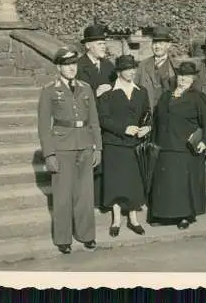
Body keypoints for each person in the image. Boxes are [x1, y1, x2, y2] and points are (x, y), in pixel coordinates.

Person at [38, 47, 102, 254]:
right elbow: (43, 125)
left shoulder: (85, 88)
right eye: (67, 65)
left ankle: (86, 235)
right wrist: (49, 154)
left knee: (85, 194)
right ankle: (63, 237)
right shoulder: (49, 90)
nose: (72, 68)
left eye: (74, 64)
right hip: (62, 146)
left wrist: (98, 147)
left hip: (84, 145)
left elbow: (94, 120)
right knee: (63, 194)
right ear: (58, 67)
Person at [149, 61, 206, 229]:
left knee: (182, 184)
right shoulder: (165, 96)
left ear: (193, 79)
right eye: (181, 75)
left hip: (185, 147)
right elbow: (156, 119)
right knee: (164, 182)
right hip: (164, 145)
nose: (183, 79)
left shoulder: (197, 98)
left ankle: (184, 216)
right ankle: (162, 215)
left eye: (187, 76)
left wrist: (205, 141)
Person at [97, 55, 151, 237]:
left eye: (133, 68)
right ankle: (117, 219)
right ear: (119, 71)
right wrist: (123, 129)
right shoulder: (108, 93)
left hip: (134, 144)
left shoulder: (141, 91)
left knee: (133, 182)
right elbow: (103, 119)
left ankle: (134, 219)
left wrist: (146, 128)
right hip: (114, 143)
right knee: (116, 182)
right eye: (127, 69)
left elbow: (147, 113)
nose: (131, 72)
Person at [75, 24, 116, 208]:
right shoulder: (78, 66)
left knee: (104, 160)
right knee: (88, 161)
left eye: (104, 43)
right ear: (88, 46)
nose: (103, 47)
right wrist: (95, 91)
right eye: (99, 44)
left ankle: (102, 199)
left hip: (107, 121)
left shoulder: (109, 65)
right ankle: (86, 200)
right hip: (87, 121)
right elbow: (74, 94)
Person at [134, 26, 178, 111]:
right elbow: (134, 89)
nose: (157, 46)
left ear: (168, 45)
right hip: (148, 112)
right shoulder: (142, 65)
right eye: (154, 43)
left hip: (169, 112)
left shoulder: (175, 66)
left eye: (161, 43)